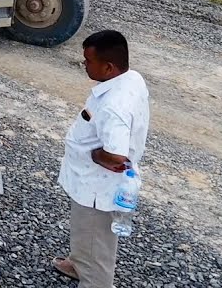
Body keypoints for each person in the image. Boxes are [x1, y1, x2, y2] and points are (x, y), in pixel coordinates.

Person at [53, 30, 151, 288]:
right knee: (84, 232)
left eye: (88, 60)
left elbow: (117, 156)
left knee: (96, 242)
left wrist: (96, 154)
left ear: (108, 67)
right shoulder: (131, 78)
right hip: (87, 182)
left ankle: (92, 279)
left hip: (97, 188)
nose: (84, 64)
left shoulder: (114, 107)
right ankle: (77, 264)